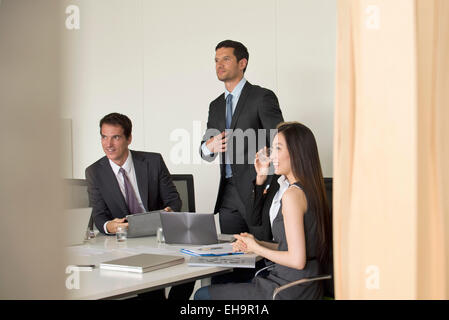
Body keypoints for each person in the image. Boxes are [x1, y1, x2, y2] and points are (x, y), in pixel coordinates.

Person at [194, 122, 332, 300]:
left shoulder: (292, 195)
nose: (272, 156)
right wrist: (257, 242)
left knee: (202, 295)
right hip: (305, 286)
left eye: (278, 148)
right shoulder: (313, 190)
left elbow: (297, 260)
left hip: (287, 289)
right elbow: (291, 247)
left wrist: (257, 248)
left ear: (297, 152)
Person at [85, 112, 194, 300]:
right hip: (125, 242)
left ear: (129, 138)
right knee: (149, 289)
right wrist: (110, 226)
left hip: (158, 236)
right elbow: (99, 215)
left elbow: (174, 200)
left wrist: (169, 212)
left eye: (116, 137)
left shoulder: (152, 161)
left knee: (192, 267)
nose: (108, 144)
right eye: (104, 137)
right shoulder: (95, 171)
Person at [200, 40, 284, 239]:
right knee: (232, 254)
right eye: (216, 60)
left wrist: (266, 180)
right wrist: (208, 146)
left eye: (226, 59)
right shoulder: (216, 105)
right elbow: (205, 152)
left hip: (257, 189)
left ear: (242, 63)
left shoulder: (262, 97)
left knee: (262, 251)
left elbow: (280, 140)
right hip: (227, 193)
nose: (219, 65)